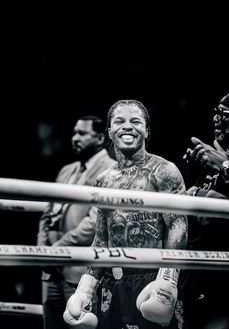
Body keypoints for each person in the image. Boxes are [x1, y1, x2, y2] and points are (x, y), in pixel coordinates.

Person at [63, 99, 188, 329]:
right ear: (109, 131)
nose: (127, 127)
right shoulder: (104, 179)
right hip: (112, 282)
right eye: (119, 121)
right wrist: (86, 286)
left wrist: (168, 278)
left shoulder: (164, 171)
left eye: (135, 121)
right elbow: (101, 237)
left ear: (147, 131)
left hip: (152, 279)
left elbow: (178, 226)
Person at [37, 115, 116, 329]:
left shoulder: (111, 170)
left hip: (79, 269)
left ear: (100, 138)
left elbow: (95, 222)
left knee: (79, 324)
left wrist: (56, 251)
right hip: (51, 268)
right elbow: (47, 214)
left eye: (82, 133)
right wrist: (43, 251)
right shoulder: (66, 170)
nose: (75, 138)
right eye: (74, 132)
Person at [183, 90, 229, 329]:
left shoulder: (224, 159)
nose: (216, 118)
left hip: (225, 270)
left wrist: (225, 166)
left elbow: (209, 212)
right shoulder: (218, 152)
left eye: (222, 114)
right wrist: (196, 172)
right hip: (200, 262)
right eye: (215, 112)